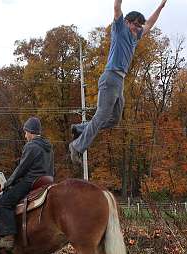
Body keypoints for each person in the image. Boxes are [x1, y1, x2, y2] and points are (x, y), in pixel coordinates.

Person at [68, 0, 169, 164]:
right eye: (135, 25)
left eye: (139, 26)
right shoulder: (119, 29)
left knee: (114, 119)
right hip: (110, 77)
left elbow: (150, 23)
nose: (137, 28)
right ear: (126, 22)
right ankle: (77, 146)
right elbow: (116, 7)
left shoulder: (136, 37)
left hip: (119, 82)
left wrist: (161, 6)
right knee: (101, 116)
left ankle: (79, 128)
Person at [0, 117, 54, 250]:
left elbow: (21, 168)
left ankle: (8, 238)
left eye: (26, 132)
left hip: (31, 181)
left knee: (4, 202)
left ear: (31, 132)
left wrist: (8, 183)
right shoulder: (48, 146)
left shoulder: (31, 146)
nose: (25, 135)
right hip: (46, 181)